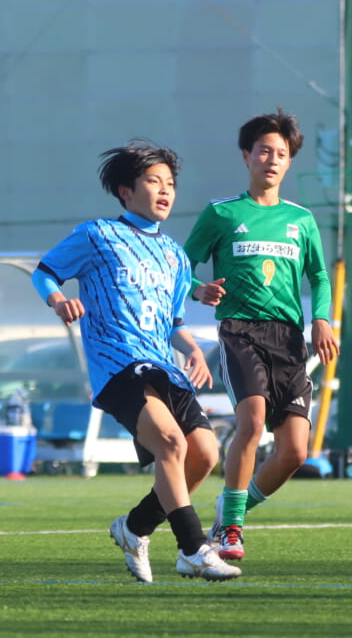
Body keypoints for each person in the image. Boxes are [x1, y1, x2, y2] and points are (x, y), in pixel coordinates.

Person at [31, 142, 241, 583]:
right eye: (153, 181)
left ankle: (134, 527)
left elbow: (171, 320)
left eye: (170, 183)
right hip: (117, 363)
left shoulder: (175, 255)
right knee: (170, 442)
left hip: (164, 365)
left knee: (205, 454)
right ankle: (193, 549)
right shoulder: (97, 235)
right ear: (126, 191)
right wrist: (57, 299)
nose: (165, 190)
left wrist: (192, 346)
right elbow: (45, 271)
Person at [183, 108, 339, 560]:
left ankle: (230, 509)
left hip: (288, 339)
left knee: (294, 452)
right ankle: (231, 530)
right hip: (240, 332)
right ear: (246, 156)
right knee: (251, 421)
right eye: (264, 151)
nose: (272, 160)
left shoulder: (300, 220)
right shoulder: (221, 213)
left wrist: (322, 318)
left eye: (281, 154)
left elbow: (319, 276)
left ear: (289, 162)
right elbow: (181, 266)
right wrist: (198, 289)